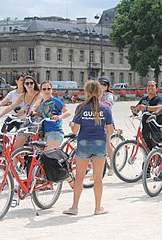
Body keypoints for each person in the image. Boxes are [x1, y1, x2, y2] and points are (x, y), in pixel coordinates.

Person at [63, 80, 114, 216]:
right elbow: (110, 129)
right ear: (100, 92)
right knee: (98, 177)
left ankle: (74, 207)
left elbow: (75, 130)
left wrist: (71, 125)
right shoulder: (105, 108)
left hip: (84, 142)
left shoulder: (81, 107)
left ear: (86, 92)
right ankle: (98, 207)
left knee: (79, 177)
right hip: (99, 143)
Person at [0, 75, 41, 150]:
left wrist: (29, 113)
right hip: (28, 120)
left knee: (32, 142)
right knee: (16, 147)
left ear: (34, 84)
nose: (29, 85)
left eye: (31, 83)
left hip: (38, 120)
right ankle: (16, 157)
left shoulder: (39, 94)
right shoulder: (23, 96)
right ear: (24, 85)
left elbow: (35, 105)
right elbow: (11, 106)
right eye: (27, 84)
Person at [31, 81, 71, 150]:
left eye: (48, 89)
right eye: (44, 89)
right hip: (45, 133)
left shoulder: (56, 101)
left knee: (47, 154)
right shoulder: (42, 102)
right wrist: (35, 114)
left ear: (52, 90)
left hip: (55, 133)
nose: (46, 91)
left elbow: (68, 112)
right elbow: (44, 115)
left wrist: (60, 117)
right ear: (41, 91)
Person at [129, 80, 162, 151]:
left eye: (152, 86)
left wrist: (146, 108)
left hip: (155, 128)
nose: (150, 88)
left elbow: (160, 107)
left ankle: (158, 161)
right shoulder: (144, 99)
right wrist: (134, 110)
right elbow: (138, 108)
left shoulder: (159, 99)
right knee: (146, 148)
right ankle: (148, 161)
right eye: (148, 86)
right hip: (145, 128)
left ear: (156, 89)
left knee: (156, 148)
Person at [98, 76, 118, 176]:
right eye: (100, 84)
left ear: (108, 86)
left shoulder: (109, 95)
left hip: (106, 122)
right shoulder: (95, 94)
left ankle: (112, 166)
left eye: (104, 84)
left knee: (107, 143)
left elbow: (108, 105)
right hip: (96, 121)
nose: (102, 86)